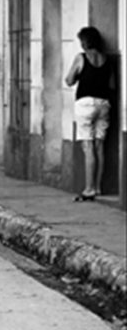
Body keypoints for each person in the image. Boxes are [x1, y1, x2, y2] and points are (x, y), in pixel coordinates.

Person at [65, 26, 116, 202]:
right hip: (104, 104)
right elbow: (112, 85)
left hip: (85, 104)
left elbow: (69, 80)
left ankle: (89, 188)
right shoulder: (107, 59)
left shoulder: (81, 58)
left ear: (85, 42)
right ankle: (99, 187)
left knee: (88, 147)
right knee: (100, 145)